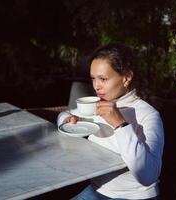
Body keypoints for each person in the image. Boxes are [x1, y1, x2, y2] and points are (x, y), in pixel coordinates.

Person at [57, 43, 164, 200]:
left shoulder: (148, 115)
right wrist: (69, 120)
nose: (96, 86)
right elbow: (63, 115)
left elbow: (148, 176)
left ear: (126, 77)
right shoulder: (96, 105)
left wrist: (120, 125)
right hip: (97, 190)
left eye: (103, 79)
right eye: (93, 78)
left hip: (134, 196)